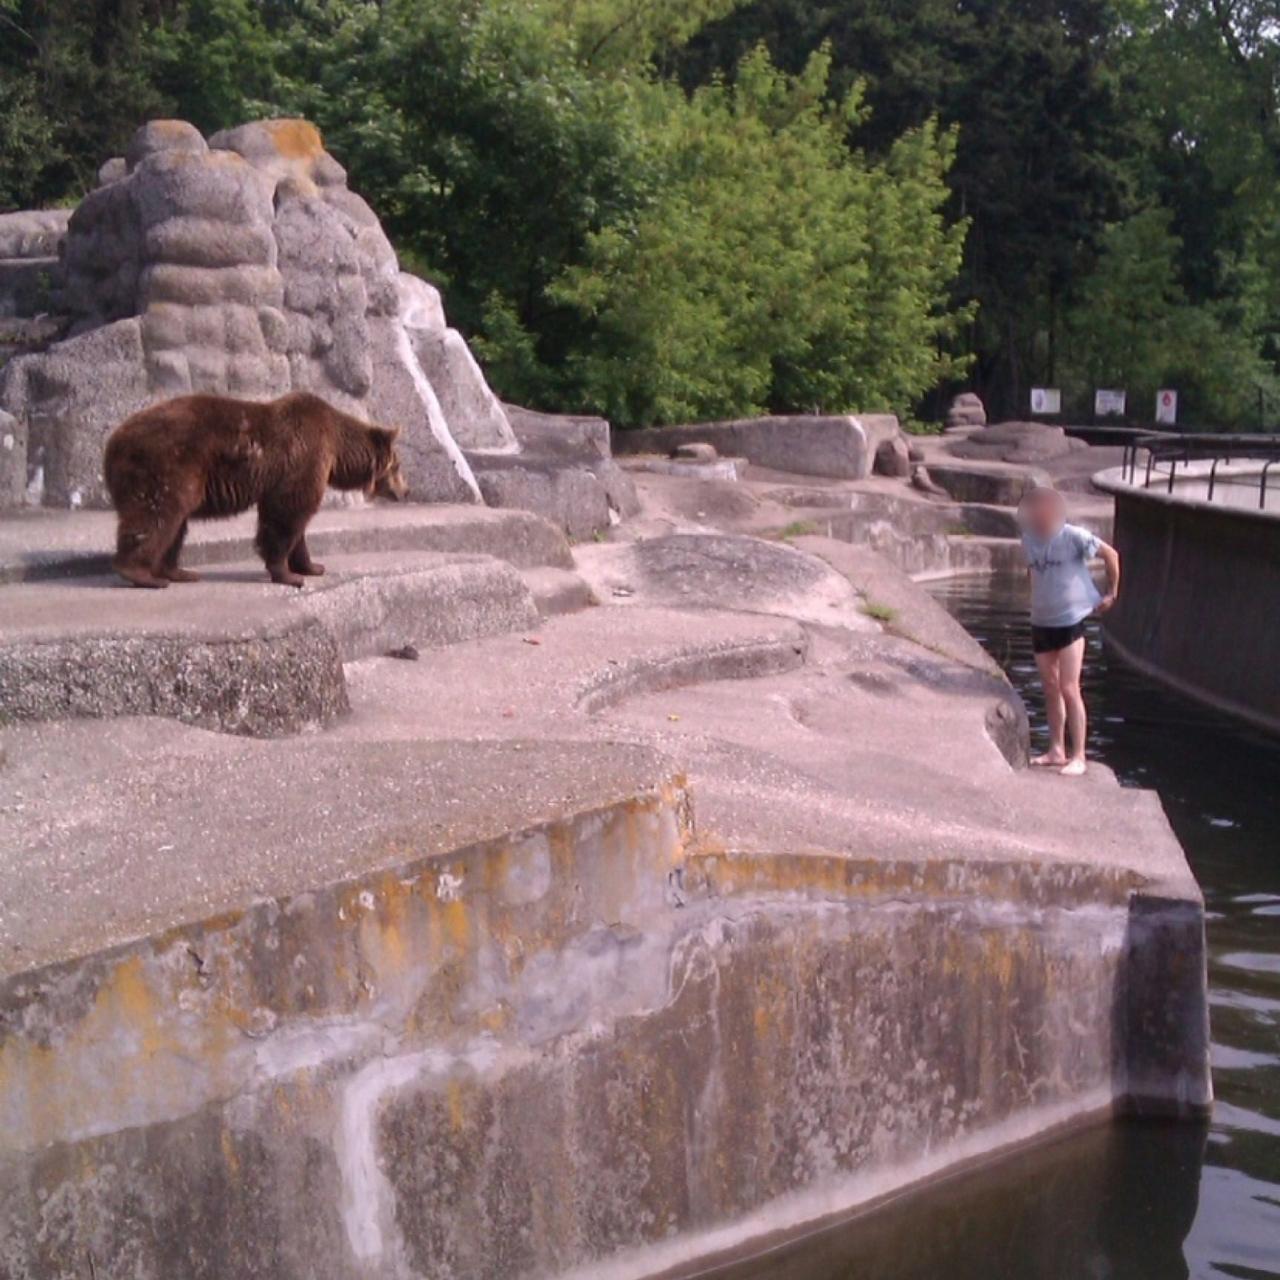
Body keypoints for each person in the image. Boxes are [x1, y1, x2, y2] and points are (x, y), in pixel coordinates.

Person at [1017, 486, 1121, 777]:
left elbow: (1111, 555)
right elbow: (1033, 573)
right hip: (1041, 621)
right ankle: (1056, 749)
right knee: (1049, 687)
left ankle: (1079, 755)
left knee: (1069, 687)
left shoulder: (1073, 537)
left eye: (1044, 512)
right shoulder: (1028, 540)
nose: (1039, 518)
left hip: (1071, 621)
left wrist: (1111, 593)